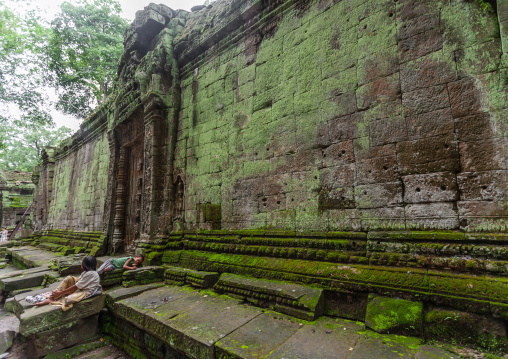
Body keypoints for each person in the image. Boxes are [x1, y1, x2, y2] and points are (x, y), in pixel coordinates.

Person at [32, 256, 101, 311]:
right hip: (80, 288)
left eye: (82, 262)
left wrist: (61, 293)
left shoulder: (91, 274)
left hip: (85, 292)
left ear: (85, 264)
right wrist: (65, 292)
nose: (81, 264)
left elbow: (76, 286)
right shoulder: (86, 272)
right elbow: (78, 283)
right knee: (69, 278)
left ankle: (55, 298)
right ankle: (52, 297)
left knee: (68, 300)